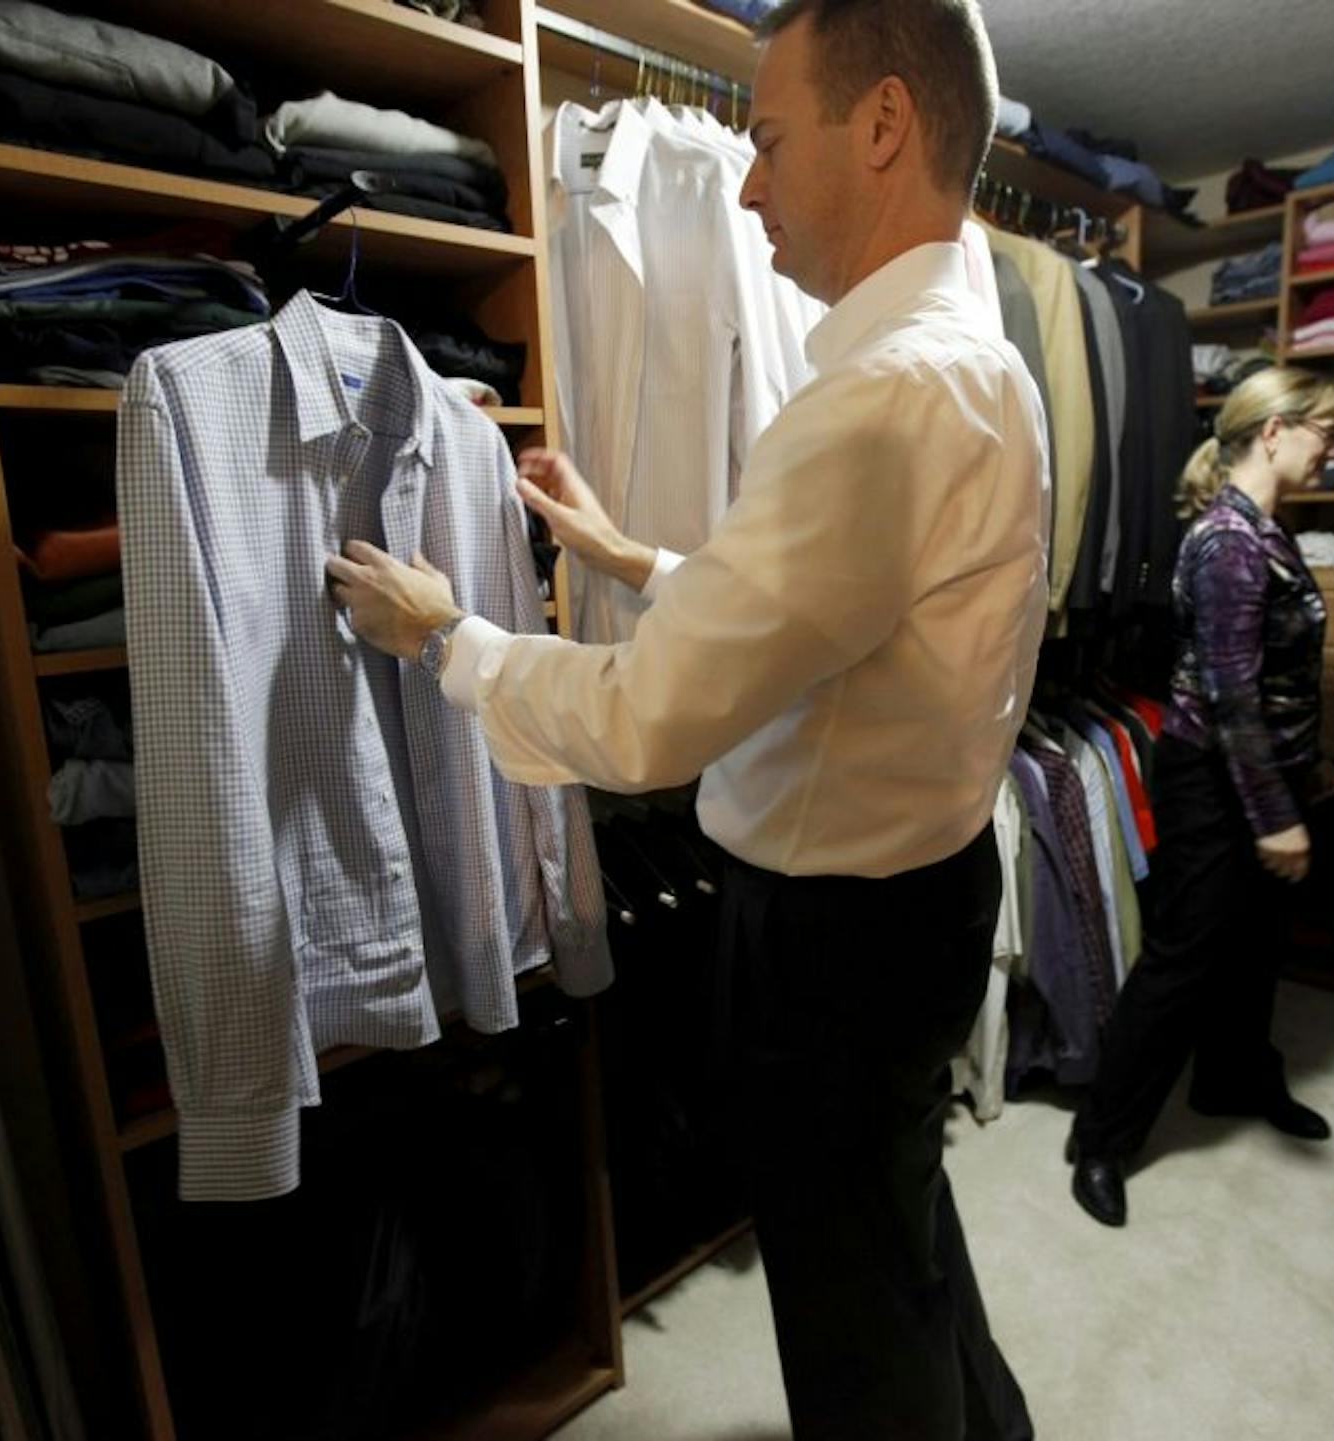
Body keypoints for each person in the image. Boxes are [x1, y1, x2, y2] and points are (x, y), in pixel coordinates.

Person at [323, 1, 1043, 1434]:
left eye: (770, 140)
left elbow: (652, 721)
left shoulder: (883, 398)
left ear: (883, 125)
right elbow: (838, 616)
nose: (754, 185)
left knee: (849, 1314)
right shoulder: (977, 355)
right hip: (924, 897)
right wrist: (629, 557)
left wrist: (442, 634)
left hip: (837, 936)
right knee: (899, 1232)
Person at [1066, 366, 1334, 1229]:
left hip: (1266, 766)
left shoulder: (1263, 529)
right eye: (1325, 433)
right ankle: (1100, 1139)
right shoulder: (1229, 541)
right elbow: (1230, 693)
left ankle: (1234, 1077)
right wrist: (1277, 814)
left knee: (1255, 941)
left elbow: (1277, 673)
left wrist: (1310, 764)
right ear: (1274, 431)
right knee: (1183, 957)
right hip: (1214, 779)